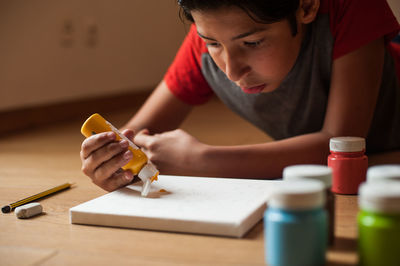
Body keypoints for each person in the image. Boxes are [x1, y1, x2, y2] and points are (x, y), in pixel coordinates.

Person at [80, 0, 400, 192]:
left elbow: (342, 146)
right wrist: (113, 164)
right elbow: (131, 137)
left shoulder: (350, 6)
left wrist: (204, 161)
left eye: (253, 43)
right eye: (213, 44)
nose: (231, 71)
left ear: (306, 6)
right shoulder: (207, 37)